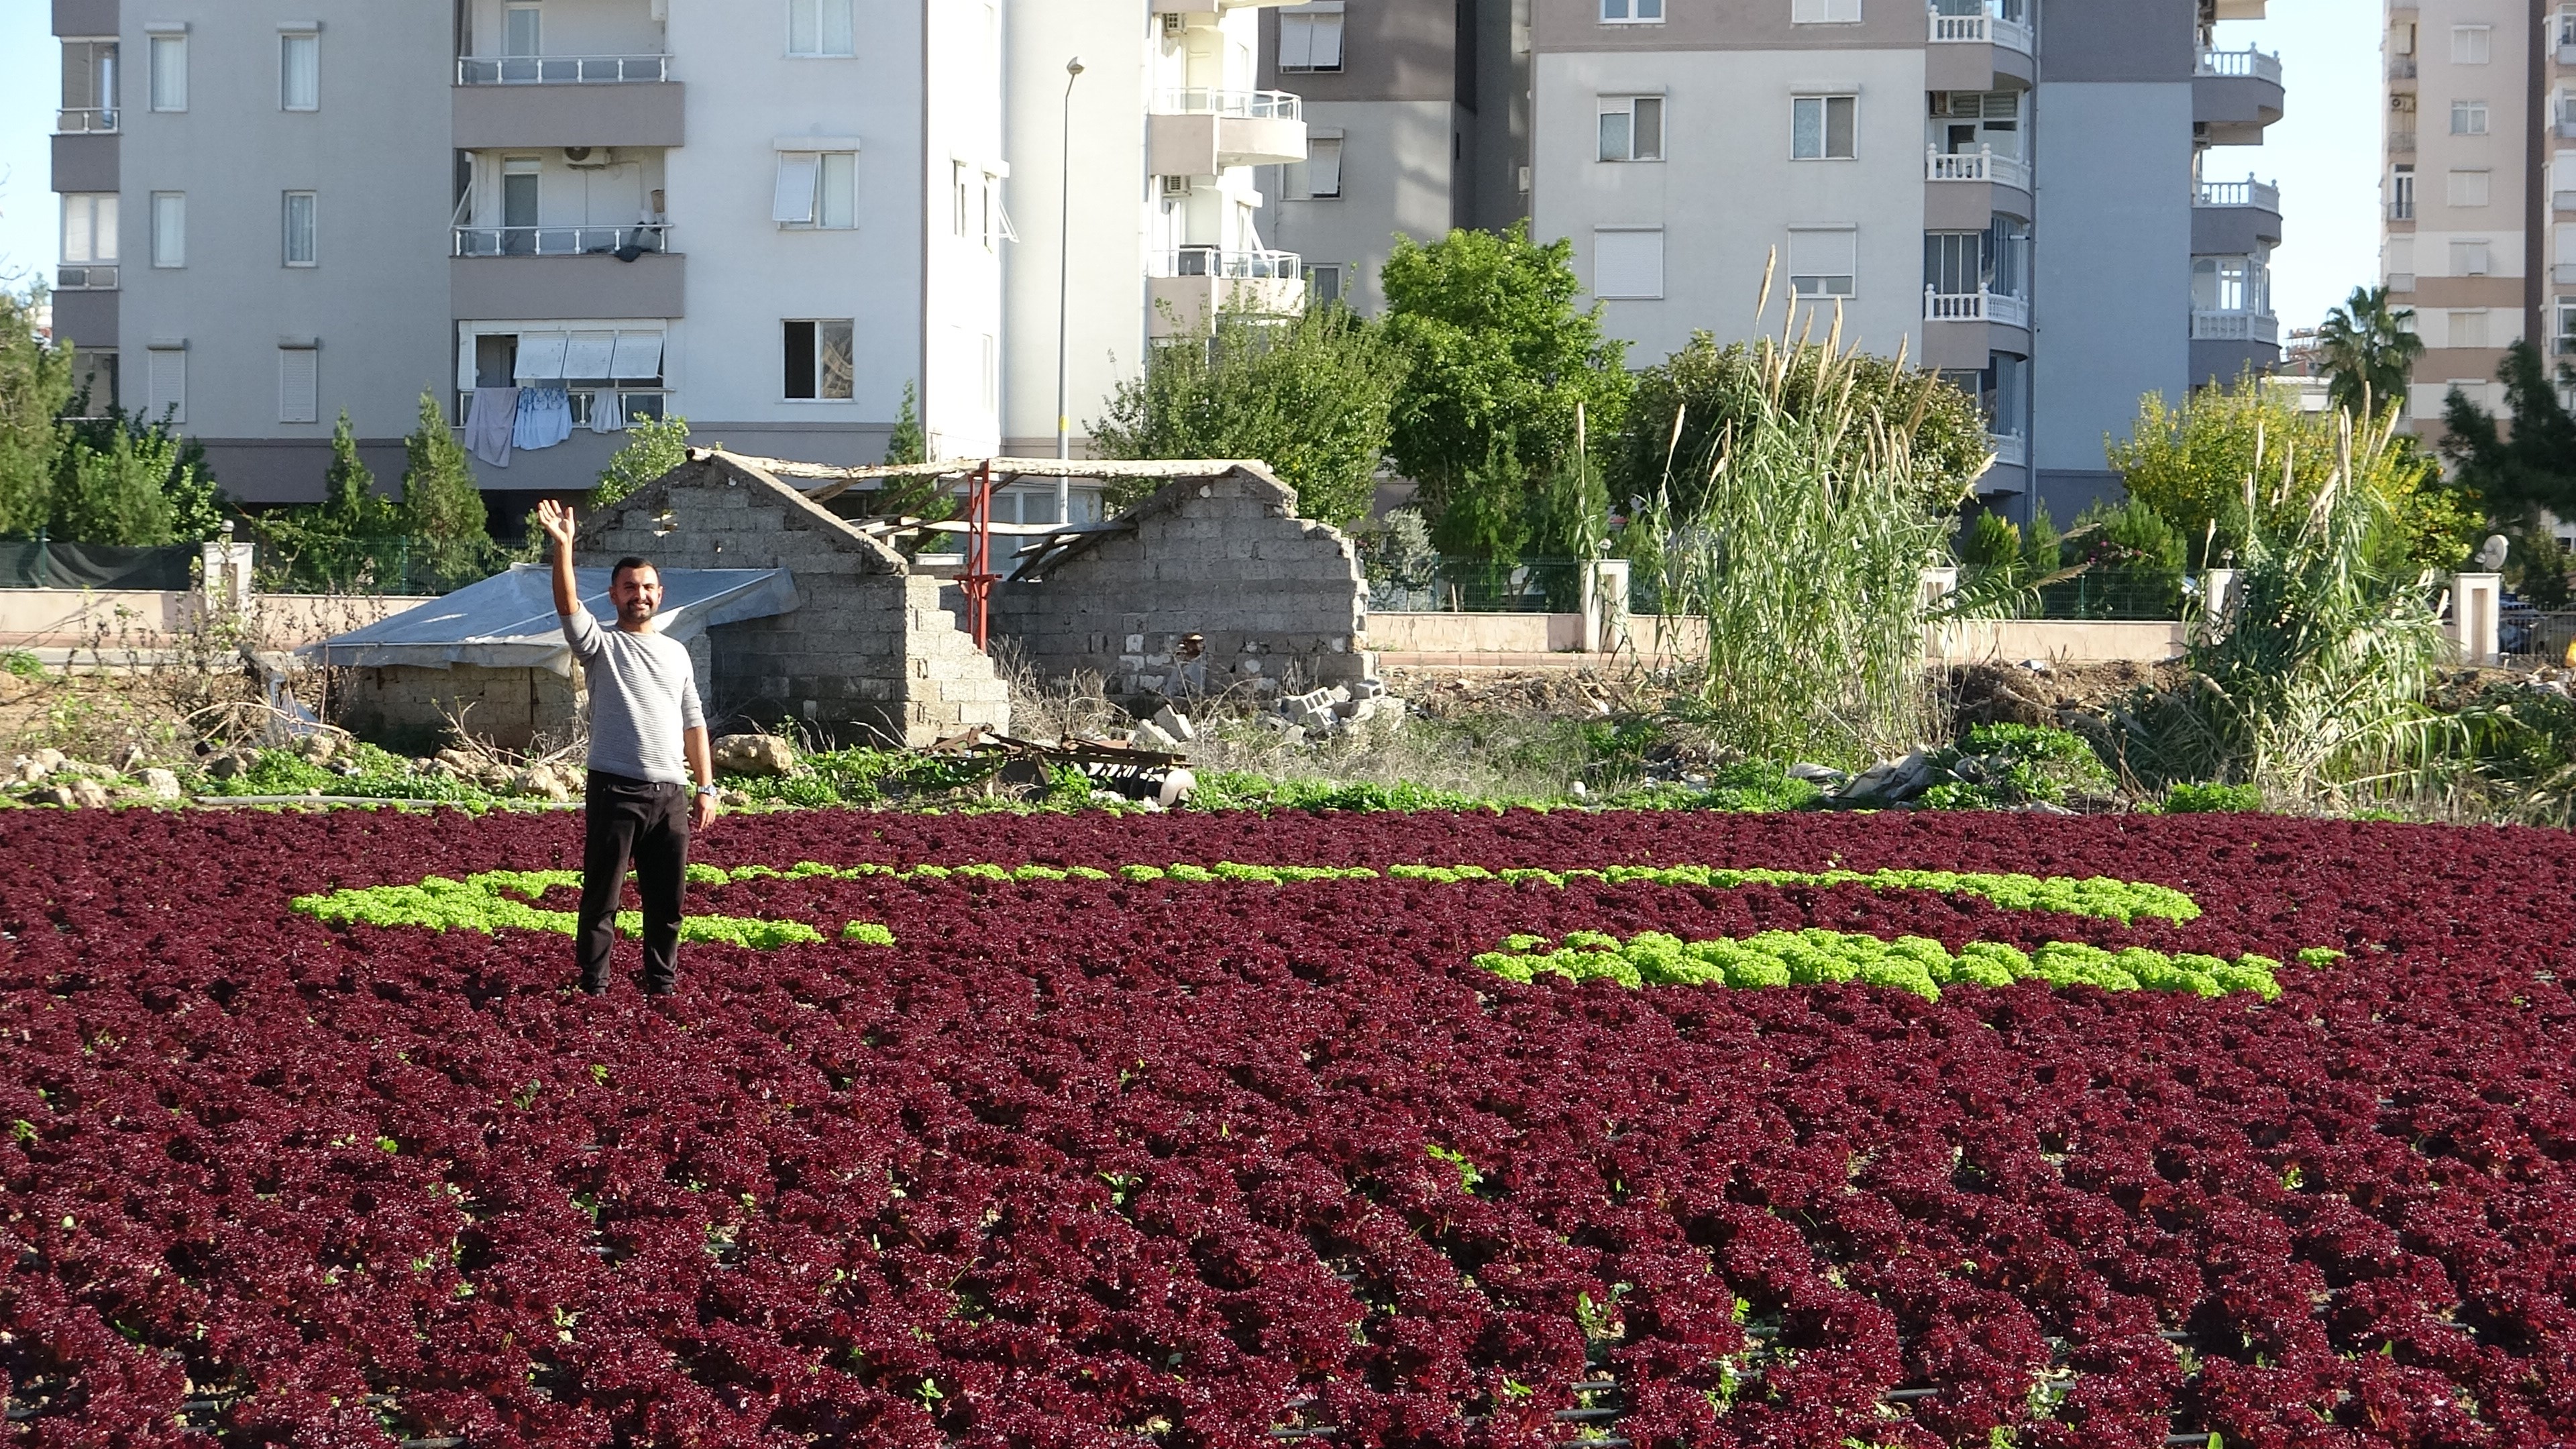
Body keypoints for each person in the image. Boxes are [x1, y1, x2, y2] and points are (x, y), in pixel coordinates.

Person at [535, 498, 719, 996]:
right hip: (615, 788)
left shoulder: (676, 652)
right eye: (629, 588)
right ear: (613, 596)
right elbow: (568, 607)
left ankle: (662, 983)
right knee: (603, 897)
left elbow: (694, 722)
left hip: (671, 794)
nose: (640, 595)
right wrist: (564, 548)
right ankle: (594, 984)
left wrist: (707, 787)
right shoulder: (601, 647)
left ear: (660, 594)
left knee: (669, 900)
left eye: (647, 587)